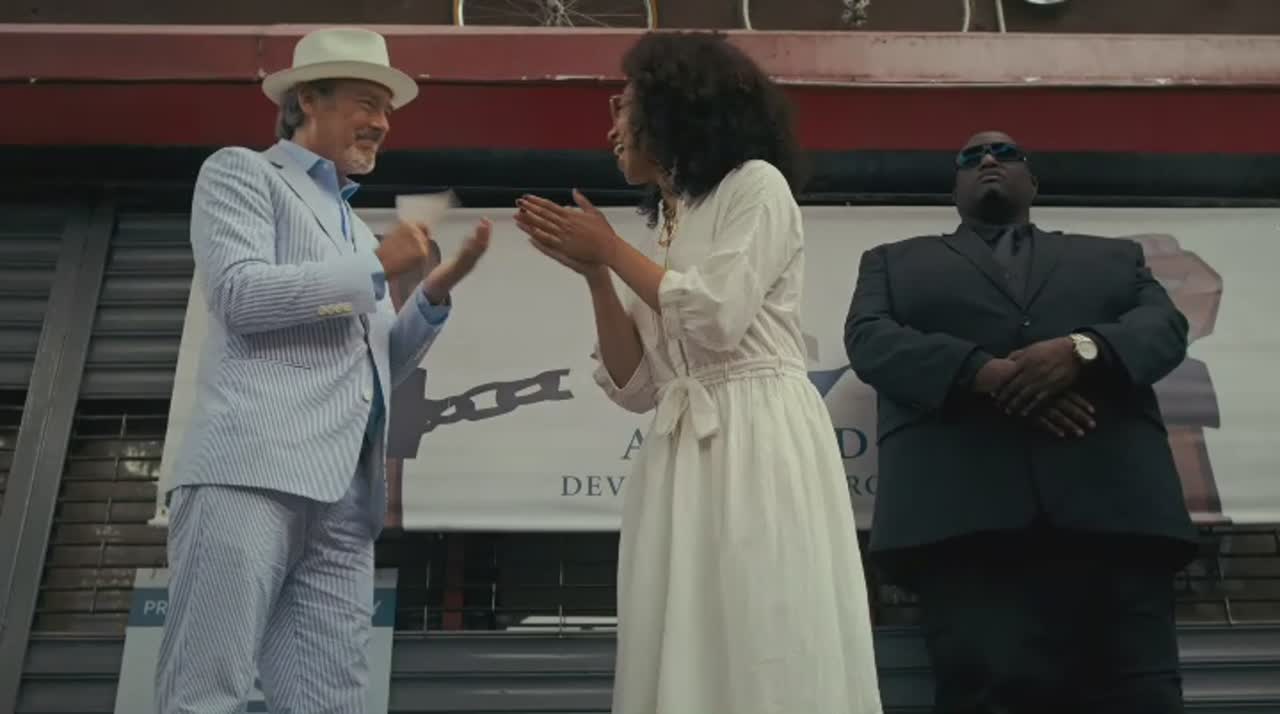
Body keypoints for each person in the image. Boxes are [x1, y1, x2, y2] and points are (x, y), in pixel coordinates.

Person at [514, 31, 883, 714]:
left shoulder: (757, 187)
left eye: (622, 106)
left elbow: (717, 316)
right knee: (684, 628)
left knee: (763, 617)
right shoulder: (667, 226)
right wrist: (597, 274)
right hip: (681, 446)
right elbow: (636, 386)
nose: (611, 128)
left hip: (757, 431)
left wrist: (612, 251)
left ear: (674, 106)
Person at [155, 27, 490, 714]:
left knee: (330, 701)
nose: (383, 123)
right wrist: (377, 266)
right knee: (205, 691)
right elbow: (240, 296)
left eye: (387, 110)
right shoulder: (242, 173)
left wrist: (432, 295)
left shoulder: (350, 225)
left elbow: (372, 364)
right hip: (251, 473)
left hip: (344, 498)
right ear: (308, 99)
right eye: (367, 102)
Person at [844, 130, 1198, 714]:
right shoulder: (891, 262)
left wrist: (1082, 351)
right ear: (954, 189)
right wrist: (983, 374)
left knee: (1138, 696)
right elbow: (870, 340)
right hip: (965, 532)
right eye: (971, 157)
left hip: (1115, 523)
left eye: (1006, 153)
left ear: (1032, 183)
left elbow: (1164, 328)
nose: (988, 158)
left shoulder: (1114, 257)